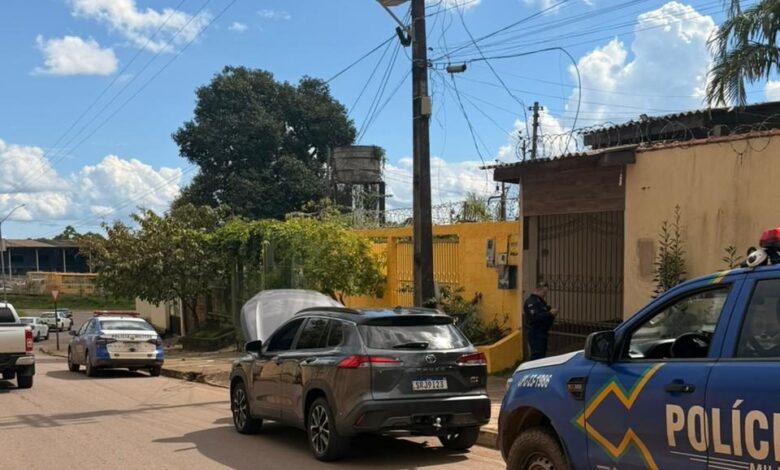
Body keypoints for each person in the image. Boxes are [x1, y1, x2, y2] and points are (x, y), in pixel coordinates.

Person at [523, 281, 558, 360]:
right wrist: (549, 314)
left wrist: (552, 314)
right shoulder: (531, 302)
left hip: (542, 332)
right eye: (544, 292)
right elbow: (535, 317)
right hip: (535, 333)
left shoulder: (541, 302)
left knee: (542, 356)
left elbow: (545, 315)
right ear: (538, 289)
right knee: (537, 356)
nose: (544, 295)